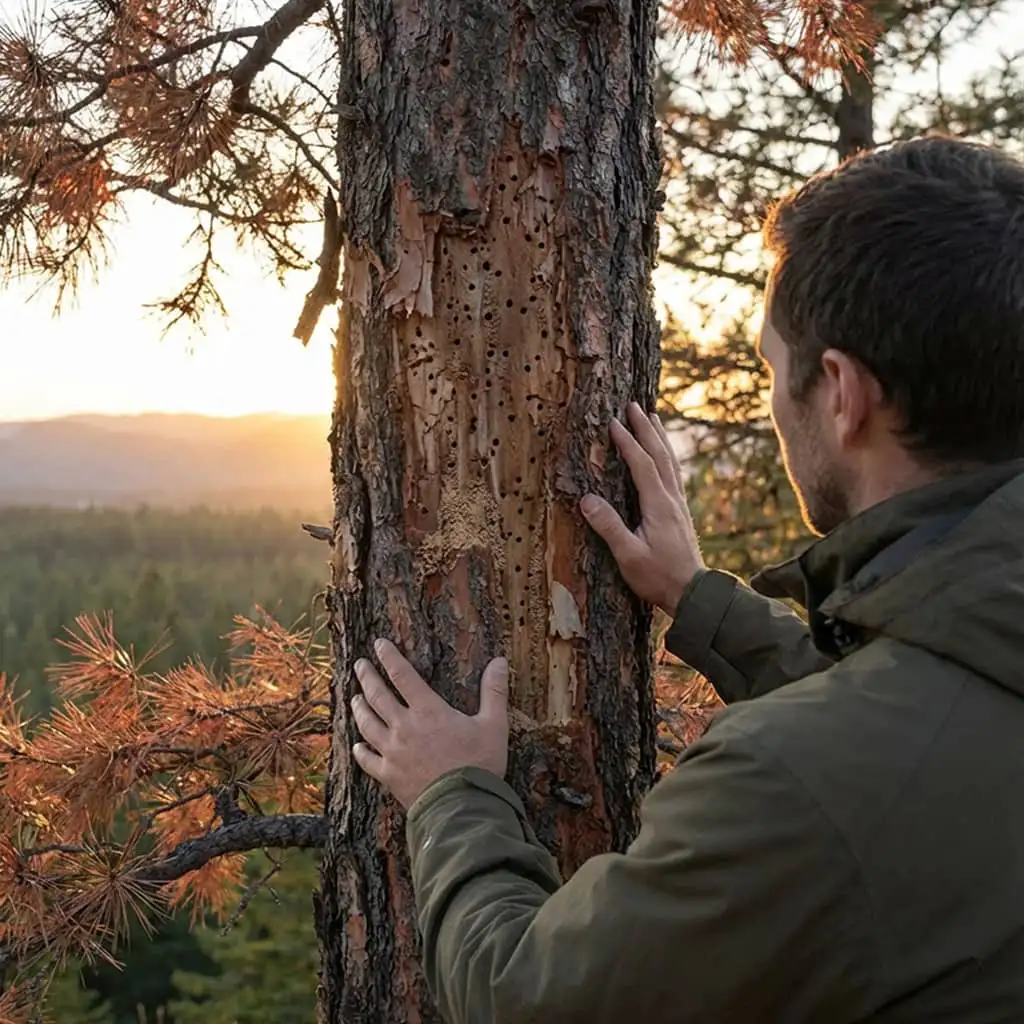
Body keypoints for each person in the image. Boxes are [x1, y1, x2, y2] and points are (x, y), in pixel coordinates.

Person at [349, 135, 1024, 1022]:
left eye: (771, 371)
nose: (776, 403)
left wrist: (453, 797)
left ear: (842, 394)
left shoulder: (792, 787)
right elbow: (939, 729)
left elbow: (527, 999)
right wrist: (702, 602)